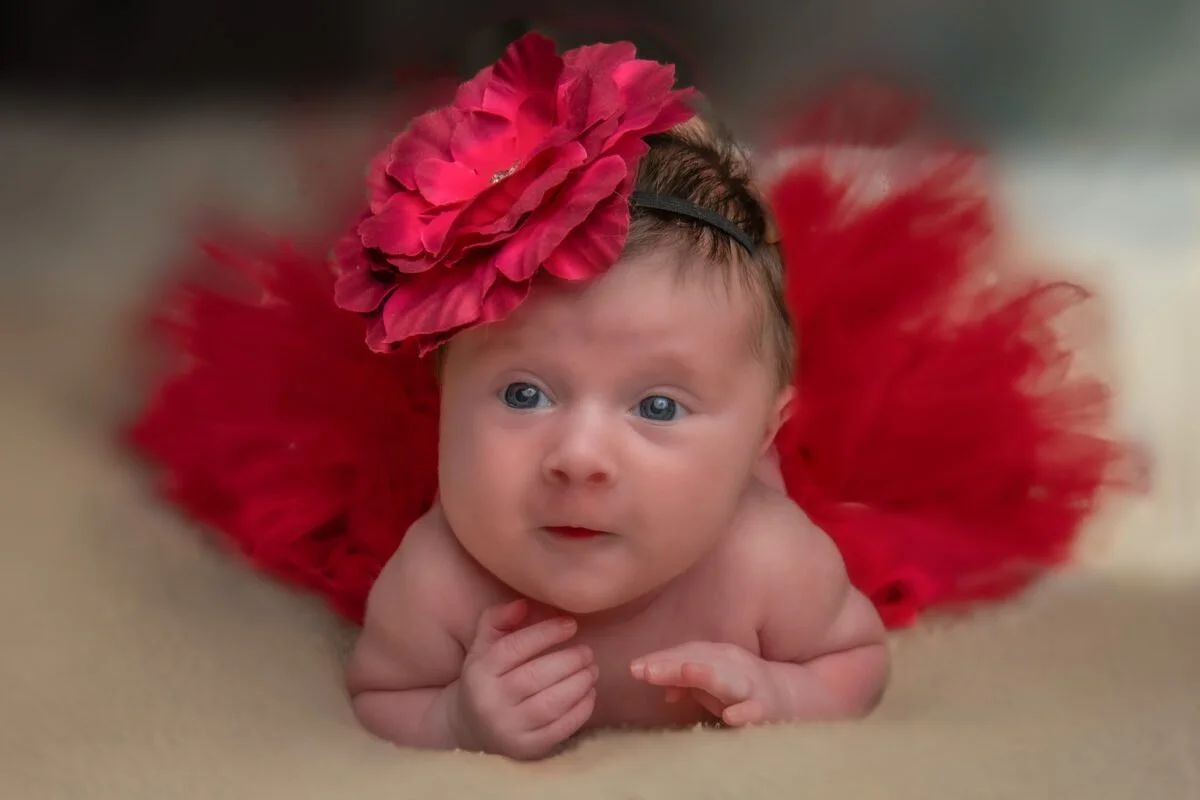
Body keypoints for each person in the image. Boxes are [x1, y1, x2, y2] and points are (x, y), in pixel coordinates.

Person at [125, 33, 1134, 760]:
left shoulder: (767, 559)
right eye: (522, 390)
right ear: (441, 392)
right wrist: (455, 719)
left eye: (657, 407)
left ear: (760, 445)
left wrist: (784, 688)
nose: (578, 454)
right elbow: (384, 688)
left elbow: (855, 659)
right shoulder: (440, 574)